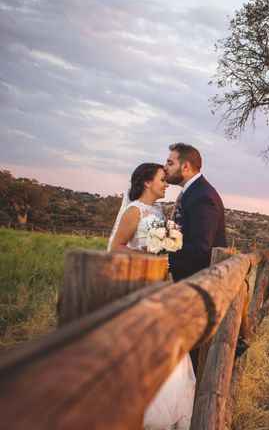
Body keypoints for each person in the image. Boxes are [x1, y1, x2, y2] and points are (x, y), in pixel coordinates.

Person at [108, 163, 195, 430]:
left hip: (159, 284)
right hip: (137, 285)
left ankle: (165, 406)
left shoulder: (158, 210)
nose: (166, 184)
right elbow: (116, 247)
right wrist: (147, 256)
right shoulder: (134, 210)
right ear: (147, 182)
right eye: (161, 179)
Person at [164, 143, 227, 371]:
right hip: (187, 283)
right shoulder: (192, 192)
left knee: (189, 352)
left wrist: (167, 261)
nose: (165, 167)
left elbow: (201, 248)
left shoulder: (202, 196)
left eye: (170, 163)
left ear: (186, 165)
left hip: (196, 285)